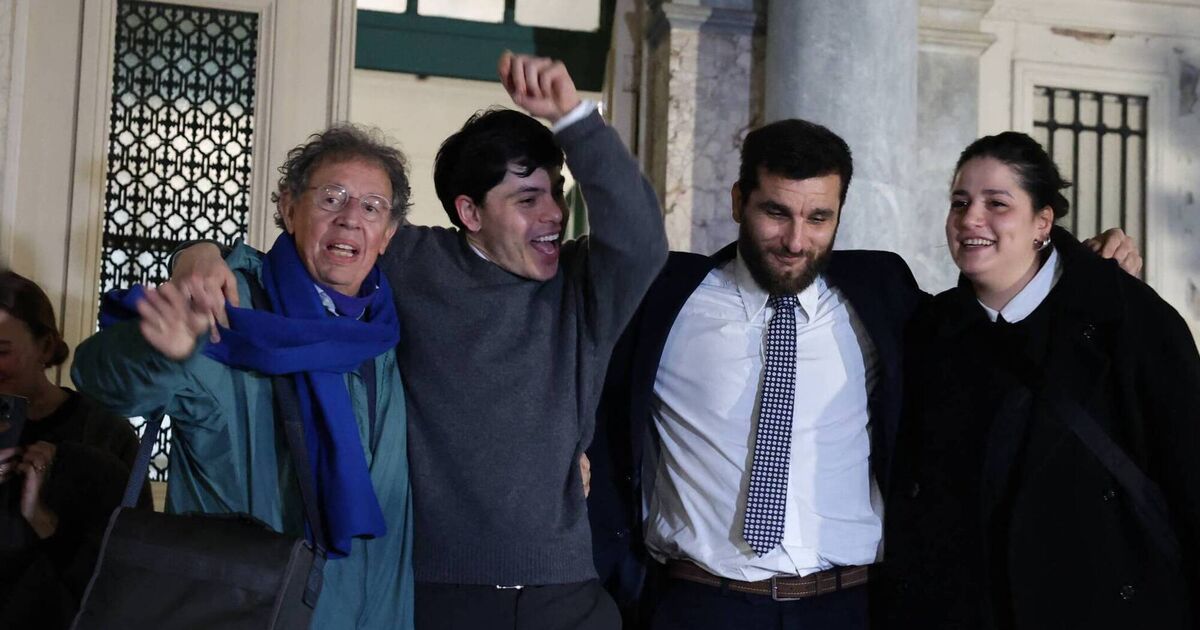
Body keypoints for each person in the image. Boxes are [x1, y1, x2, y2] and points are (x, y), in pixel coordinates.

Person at [171, 52, 668, 629]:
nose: (554, 214)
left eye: (556, 193)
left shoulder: (582, 287)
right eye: (528, 200)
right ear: (470, 212)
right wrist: (199, 254)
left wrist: (574, 118)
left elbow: (640, 240)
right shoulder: (410, 261)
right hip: (434, 594)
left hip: (562, 596)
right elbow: (311, 251)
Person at [586, 120, 1143, 629]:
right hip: (700, 605)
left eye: (818, 218)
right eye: (776, 212)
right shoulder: (666, 298)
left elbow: (994, 330)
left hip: (849, 607)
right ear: (738, 201)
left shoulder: (881, 294)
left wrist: (1078, 269)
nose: (796, 240)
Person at [72, 124, 417, 629]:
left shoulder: (390, 328)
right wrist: (158, 351)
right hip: (246, 611)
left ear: (387, 235)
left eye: (372, 207)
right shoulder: (228, 304)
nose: (350, 218)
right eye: (331, 198)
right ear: (289, 208)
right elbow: (97, 379)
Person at [880, 132, 1200, 628]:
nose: (970, 218)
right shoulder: (929, 330)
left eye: (997, 203)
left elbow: (1189, 475)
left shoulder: (1128, 317)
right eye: (960, 202)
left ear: (1042, 222)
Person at [0, 270, 143, 629]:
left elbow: (127, 573)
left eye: (2, 352)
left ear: (46, 346)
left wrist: (42, 519)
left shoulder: (106, 435)